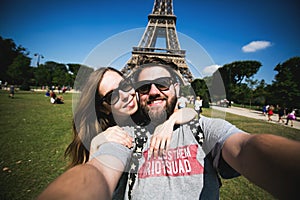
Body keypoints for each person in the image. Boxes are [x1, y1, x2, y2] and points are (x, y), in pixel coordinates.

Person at [38, 60, 300, 200]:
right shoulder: (122, 135)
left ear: (177, 87)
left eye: (162, 83)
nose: (152, 91)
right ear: (104, 108)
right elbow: (99, 172)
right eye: (143, 87)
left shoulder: (200, 127)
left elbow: (245, 147)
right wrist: (97, 148)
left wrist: (172, 121)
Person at [38, 66, 196, 199]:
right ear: (102, 107)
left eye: (125, 86)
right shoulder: (106, 135)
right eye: (112, 96)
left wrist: (170, 122)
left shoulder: (147, 108)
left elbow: (191, 113)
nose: (125, 95)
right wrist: (95, 144)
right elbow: (95, 173)